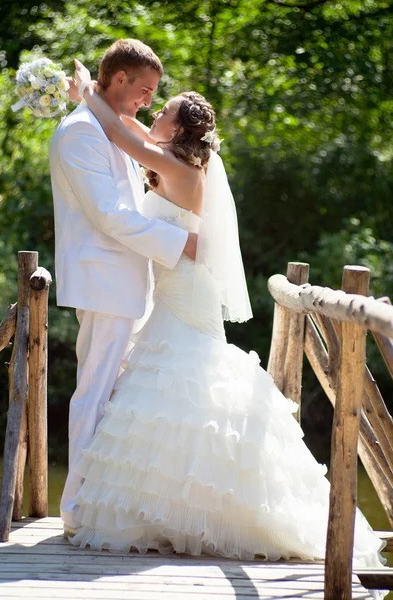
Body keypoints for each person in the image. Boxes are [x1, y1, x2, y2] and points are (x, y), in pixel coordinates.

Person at [69, 60, 387, 596]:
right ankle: (174, 511)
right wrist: (96, 91)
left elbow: (119, 132)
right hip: (174, 287)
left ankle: (219, 512)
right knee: (174, 386)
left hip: (184, 293)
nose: (156, 112)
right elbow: (135, 132)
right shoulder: (175, 159)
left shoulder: (176, 168)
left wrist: (85, 94)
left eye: (164, 111)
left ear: (179, 131)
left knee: (190, 378)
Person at [49, 39, 198, 537]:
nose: (146, 103)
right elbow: (110, 217)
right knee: (92, 394)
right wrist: (182, 244)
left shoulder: (101, 127)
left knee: (111, 396)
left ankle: (100, 502)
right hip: (105, 281)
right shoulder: (80, 135)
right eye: (143, 91)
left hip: (125, 282)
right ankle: (76, 510)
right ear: (117, 81)